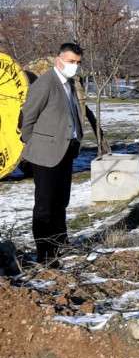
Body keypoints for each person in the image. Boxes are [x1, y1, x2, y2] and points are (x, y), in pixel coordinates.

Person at [19, 43, 86, 265]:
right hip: (45, 153)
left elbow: (71, 113)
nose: (74, 66)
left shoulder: (69, 83)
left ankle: (59, 242)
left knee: (60, 201)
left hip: (65, 151)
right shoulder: (46, 83)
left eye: (77, 62)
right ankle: (45, 254)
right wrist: (31, 142)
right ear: (58, 60)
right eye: (70, 61)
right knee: (45, 205)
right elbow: (28, 116)